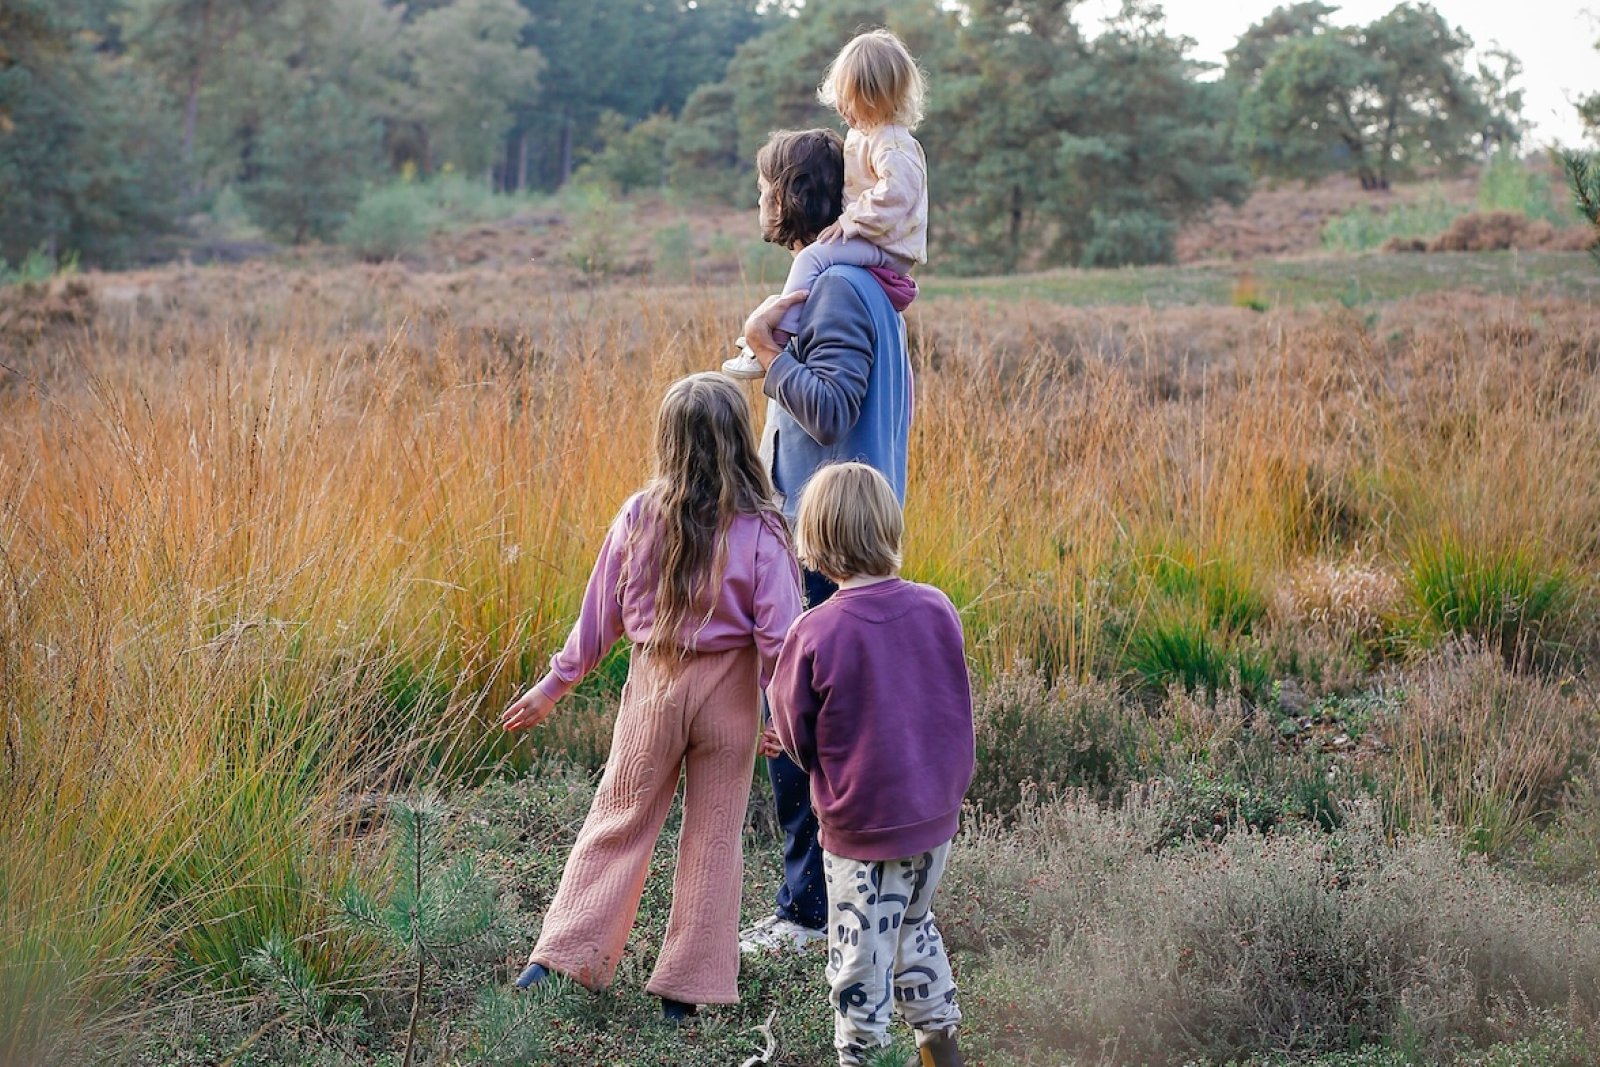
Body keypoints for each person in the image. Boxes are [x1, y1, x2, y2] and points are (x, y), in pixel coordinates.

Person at [500, 373, 803, 1022]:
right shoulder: (763, 530)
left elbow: (598, 618)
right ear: (741, 443)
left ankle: (556, 960)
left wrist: (554, 685)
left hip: (654, 690)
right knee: (714, 838)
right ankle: (685, 993)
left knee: (619, 816)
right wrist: (782, 713)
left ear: (667, 441)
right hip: (729, 701)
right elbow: (781, 638)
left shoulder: (639, 514)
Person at [731, 127, 915, 955]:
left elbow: (832, 407)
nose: (759, 201)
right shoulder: (858, 280)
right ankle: (856, 904)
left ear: (794, 195)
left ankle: (806, 913)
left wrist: (770, 358)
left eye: (766, 186)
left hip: (826, 546)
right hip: (838, 535)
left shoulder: (839, 287)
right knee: (836, 731)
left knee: (795, 728)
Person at [768, 462, 973, 1067]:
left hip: (862, 831)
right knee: (914, 925)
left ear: (816, 544)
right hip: (934, 820)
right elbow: (949, 700)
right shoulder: (938, 608)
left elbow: (795, 734)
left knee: (858, 952)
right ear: (888, 526)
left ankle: (857, 1056)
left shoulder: (813, 631)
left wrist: (812, 759)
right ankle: (940, 1045)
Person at [723, 28, 927, 379]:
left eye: (853, 101)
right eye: (842, 101)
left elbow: (897, 196)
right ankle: (780, 327)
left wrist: (850, 221)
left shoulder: (892, 145)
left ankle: (776, 340)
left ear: (877, 97)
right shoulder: (866, 135)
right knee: (815, 260)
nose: (844, 110)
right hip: (876, 237)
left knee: (813, 257)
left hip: (885, 243)